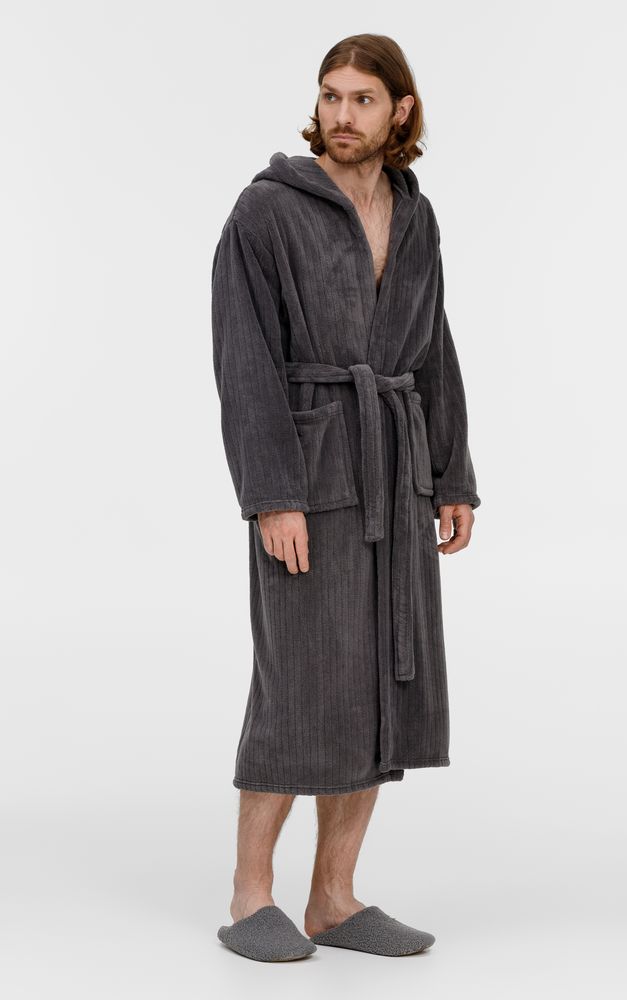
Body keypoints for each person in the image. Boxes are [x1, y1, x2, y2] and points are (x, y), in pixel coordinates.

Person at [211, 33, 481, 962]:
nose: (341, 114)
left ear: (399, 109)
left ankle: (332, 897)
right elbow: (243, 360)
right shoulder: (266, 210)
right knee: (298, 684)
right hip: (311, 475)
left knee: (376, 686)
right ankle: (251, 895)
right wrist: (272, 495)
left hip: (396, 472)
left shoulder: (414, 212)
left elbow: (433, 346)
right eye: (330, 95)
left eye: (363, 98)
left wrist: (450, 473)